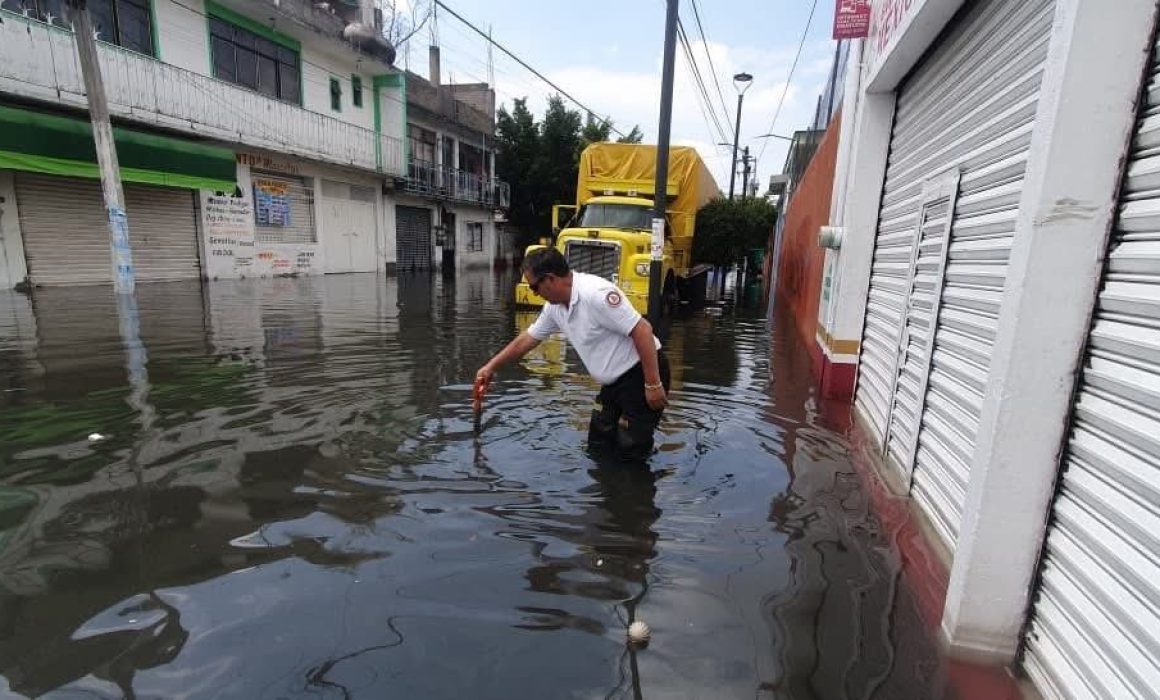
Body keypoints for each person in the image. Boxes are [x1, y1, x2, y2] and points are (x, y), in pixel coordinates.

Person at [476, 248, 671, 461]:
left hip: (642, 373)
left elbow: (642, 330)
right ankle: (607, 489)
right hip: (613, 383)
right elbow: (528, 339)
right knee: (598, 443)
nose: (534, 293)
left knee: (631, 450)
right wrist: (491, 366)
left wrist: (653, 384)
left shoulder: (596, 294)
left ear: (550, 279)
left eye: (534, 287)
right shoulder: (555, 307)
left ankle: (638, 487)